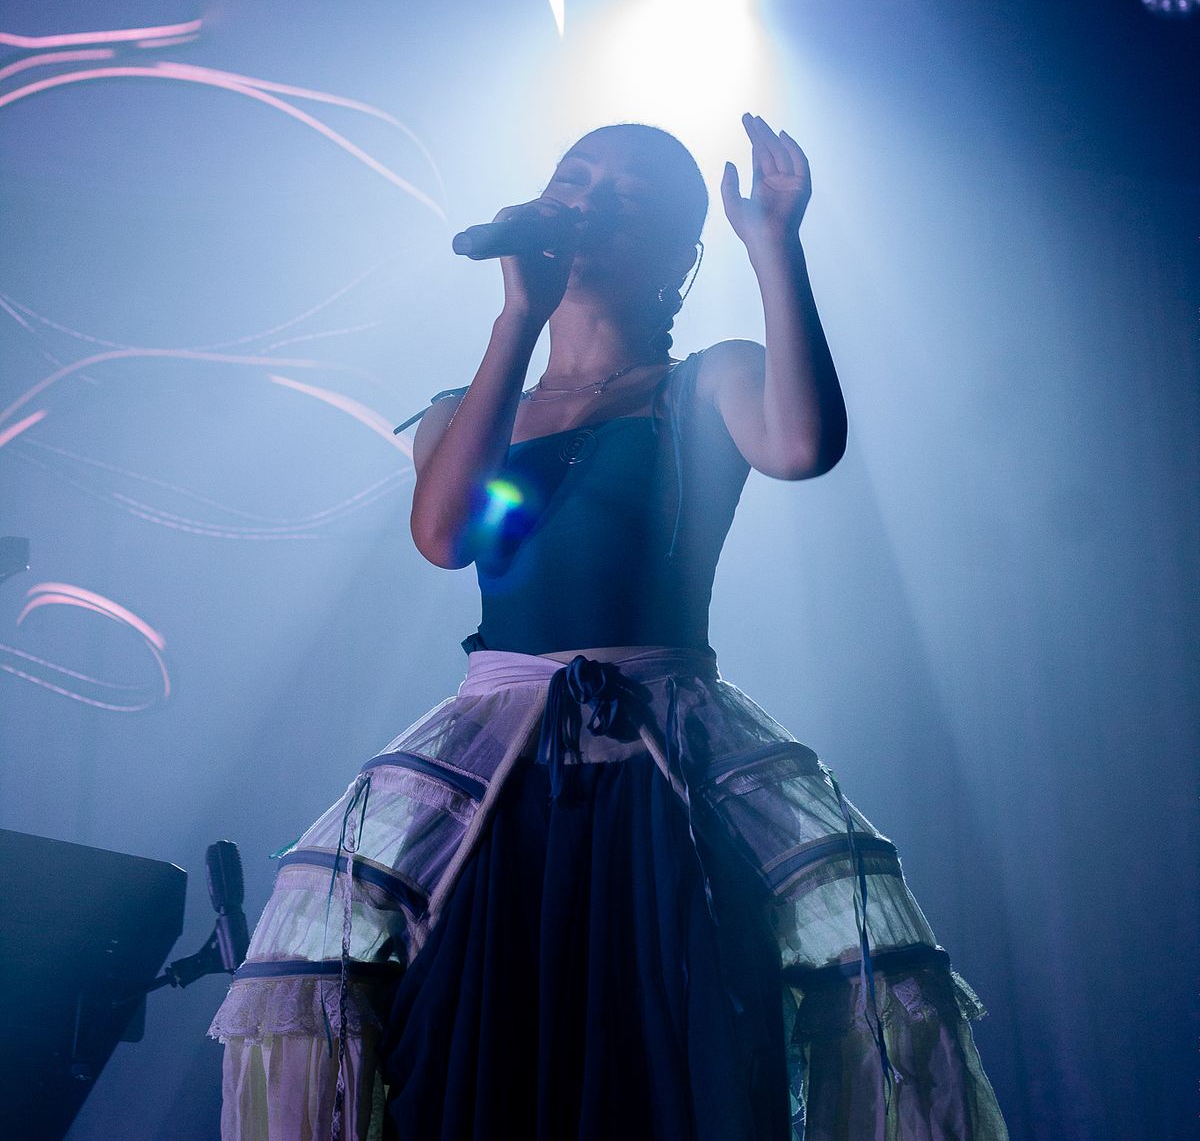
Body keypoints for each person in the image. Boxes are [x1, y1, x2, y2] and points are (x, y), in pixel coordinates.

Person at [211, 115, 1010, 1141]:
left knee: (672, 1048)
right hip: (496, 769)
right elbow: (445, 537)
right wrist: (519, 316)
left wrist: (775, 243)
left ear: (679, 255)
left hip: (659, 761)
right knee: (471, 1053)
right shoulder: (467, 408)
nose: (589, 202)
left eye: (627, 196)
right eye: (575, 178)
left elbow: (804, 445)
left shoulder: (708, 379)